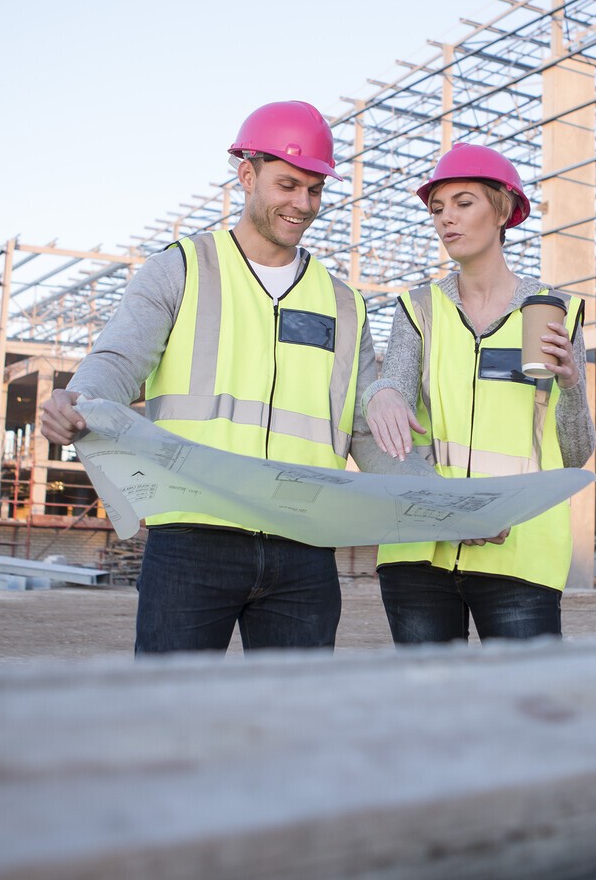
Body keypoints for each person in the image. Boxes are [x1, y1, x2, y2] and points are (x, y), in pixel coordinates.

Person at [40, 100, 427, 655]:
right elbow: (120, 359)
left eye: (315, 190)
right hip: (193, 541)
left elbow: (368, 432)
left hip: (304, 546)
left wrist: (440, 502)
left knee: (288, 726)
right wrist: (81, 399)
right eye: (288, 185)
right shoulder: (181, 269)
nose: (303, 204)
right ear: (247, 175)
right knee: (174, 718)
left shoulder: (344, 304)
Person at [364, 142, 596, 644]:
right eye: (437, 208)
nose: (447, 218)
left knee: (521, 713)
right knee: (432, 710)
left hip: (520, 553)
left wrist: (572, 385)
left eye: (464, 202)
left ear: (504, 211)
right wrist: (378, 391)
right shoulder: (418, 309)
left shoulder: (555, 313)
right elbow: (393, 401)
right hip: (419, 550)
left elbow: (575, 454)